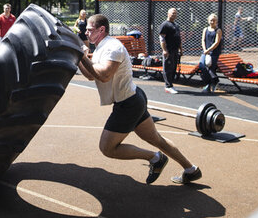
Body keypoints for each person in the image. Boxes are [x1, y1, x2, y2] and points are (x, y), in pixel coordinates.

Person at [78, 14, 202, 184]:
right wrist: (78, 59)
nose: (86, 32)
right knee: (156, 139)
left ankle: (155, 158)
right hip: (133, 99)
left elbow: (104, 76)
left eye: (90, 30)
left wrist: (83, 57)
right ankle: (191, 170)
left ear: (101, 29)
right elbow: (92, 76)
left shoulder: (113, 47)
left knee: (107, 148)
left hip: (128, 105)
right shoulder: (100, 47)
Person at [158, 8, 182, 94]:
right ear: (168, 14)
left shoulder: (176, 25)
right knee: (167, 68)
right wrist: (164, 50)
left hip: (175, 50)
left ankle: (171, 85)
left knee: (173, 68)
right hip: (168, 50)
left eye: (175, 13)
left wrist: (180, 49)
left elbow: (179, 38)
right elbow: (162, 38)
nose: (174, 15)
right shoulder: (165, 25)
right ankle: (168, 86)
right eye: (172, 13)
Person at [199, 13, 223, 94]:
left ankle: (210, 84)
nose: (212, 22)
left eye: (214, 20)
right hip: (205, 51)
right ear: (208, 21)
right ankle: (211, 81)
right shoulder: (205, 29)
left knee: (210, 67)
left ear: (216, 21)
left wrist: (209, 50)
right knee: (202, 65)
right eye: (211, 20)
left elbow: (216, 42)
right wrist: (205, 49)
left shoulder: (218, 30)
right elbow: (203, 40)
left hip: (213, 52)